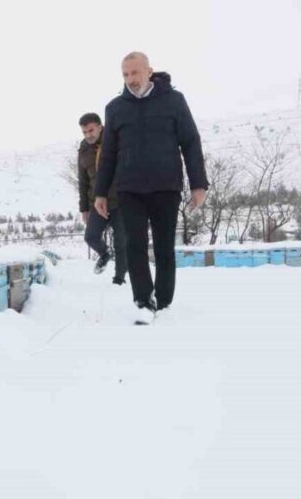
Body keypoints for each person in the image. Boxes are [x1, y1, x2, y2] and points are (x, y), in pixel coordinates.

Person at [93, 52, 209, 324]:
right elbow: (108, 154)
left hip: (166, 186)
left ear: (149, 71)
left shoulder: (174, 101)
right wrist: (100, 192)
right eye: (125, 74)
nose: (130, 79)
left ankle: (165, 302)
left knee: (164, 247)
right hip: (129, 188)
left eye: (135, 73)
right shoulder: (115, 108)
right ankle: (143, 301)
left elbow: (190, 141)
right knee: (134, 245)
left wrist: (199, 184)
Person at [76, 112, 127, 284]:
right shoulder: (83, 149)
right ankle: (104, 254)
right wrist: (84, 208)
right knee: (90, 236)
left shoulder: (115, 140)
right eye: (84, 132)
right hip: (96, 203)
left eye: (91, 130)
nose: (88, 135)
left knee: (122, 243)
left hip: (120, 201)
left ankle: (119, 279)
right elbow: (82, 181)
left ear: (100, 126)